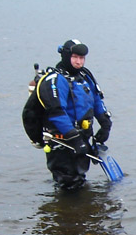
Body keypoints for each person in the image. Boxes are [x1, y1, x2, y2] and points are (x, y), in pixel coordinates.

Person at [35, 39, 113, 191]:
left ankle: (75, 211)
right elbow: (56, 112)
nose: (79, 62)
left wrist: (105, 123)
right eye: (75, 57)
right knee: (68, 184)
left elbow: (96, 99)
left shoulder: (85, 77)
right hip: (62, 142)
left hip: (82, 138)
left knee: (79, 178)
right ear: (66, 56)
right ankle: (65, 210)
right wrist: (75, 139)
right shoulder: (57, 80)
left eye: (82, 58)